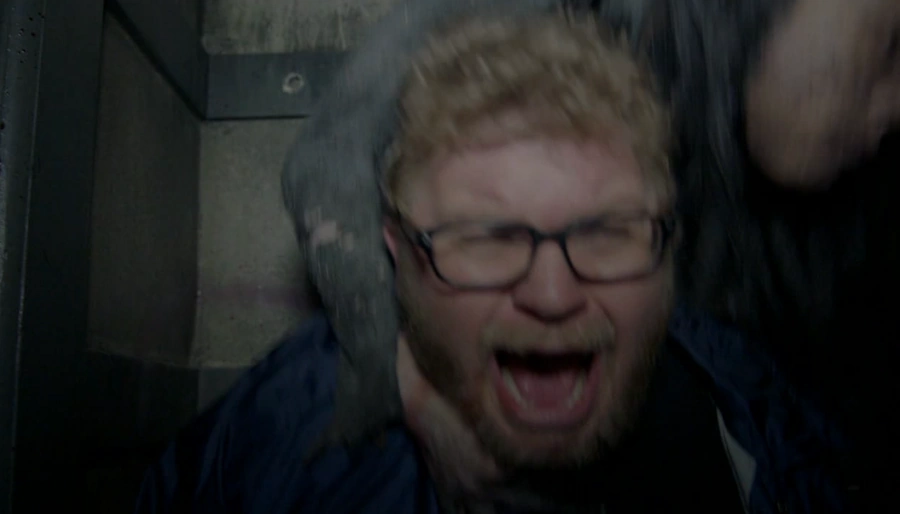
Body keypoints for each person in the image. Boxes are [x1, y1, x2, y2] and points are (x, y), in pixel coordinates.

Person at [135, 3, 851, 513]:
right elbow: (320, 172)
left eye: (607, 230)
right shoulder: (279, 452)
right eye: (487, 235)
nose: (551, 293)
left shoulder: (757, 418)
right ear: (397, 245)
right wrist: (402, 388)